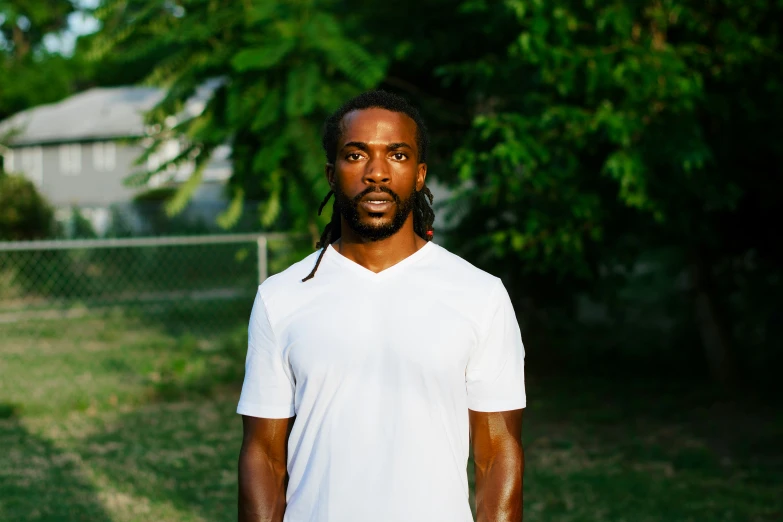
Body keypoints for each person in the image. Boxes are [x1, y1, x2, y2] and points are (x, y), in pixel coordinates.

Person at [237, 90, 526, 522]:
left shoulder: (479, 295)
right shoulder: (282, 297)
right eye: (356, 156)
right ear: (332, 175)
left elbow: (497, 456)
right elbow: (264, 456)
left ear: (420, 174)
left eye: (397, 155)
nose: (377, 173)